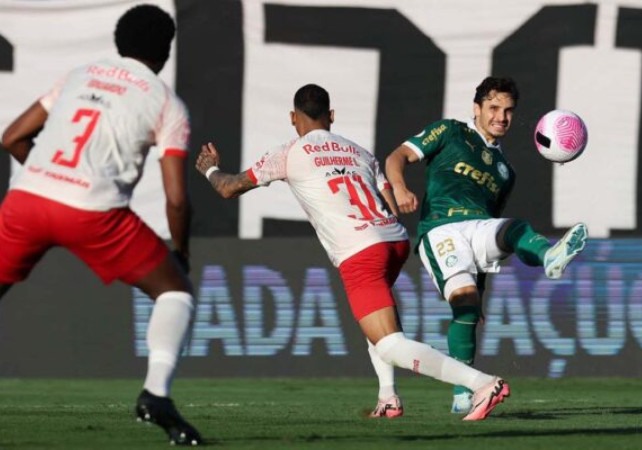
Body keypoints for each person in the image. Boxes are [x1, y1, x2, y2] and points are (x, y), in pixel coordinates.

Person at [195, 83, 510, 421]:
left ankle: (482, 384)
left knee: (390, 342)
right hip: (394, 241)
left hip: (360, 251)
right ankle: (388, 397)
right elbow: (390, 203)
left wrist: (210, 169)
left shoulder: (289, 151)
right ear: (331, 116)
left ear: (292, 118)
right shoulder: (359, 151)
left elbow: (229, 188)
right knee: (375, 320)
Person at [0, 4, 202, 446]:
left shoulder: (80, 75)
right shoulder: (166, 101)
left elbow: (12, 137)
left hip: (26, 201)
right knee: (175, 292)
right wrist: (181, 251)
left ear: (118, 42)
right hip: (94, 212)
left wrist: (44, 178)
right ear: (166, 51)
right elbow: (176, 198)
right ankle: (156, 396)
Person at [385, 76, 588, 414]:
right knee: (463, 303)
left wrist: (482, 287)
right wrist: (400, 188)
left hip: (478, 229)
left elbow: (492, 233)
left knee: (511, 231)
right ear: (476, 108)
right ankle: (465, 387)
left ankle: (550, 256)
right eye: (494, 108)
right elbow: (397, 157)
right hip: (441, 230)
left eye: (508, 111)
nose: (501, 117)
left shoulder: (505, 171)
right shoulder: (450, 131)